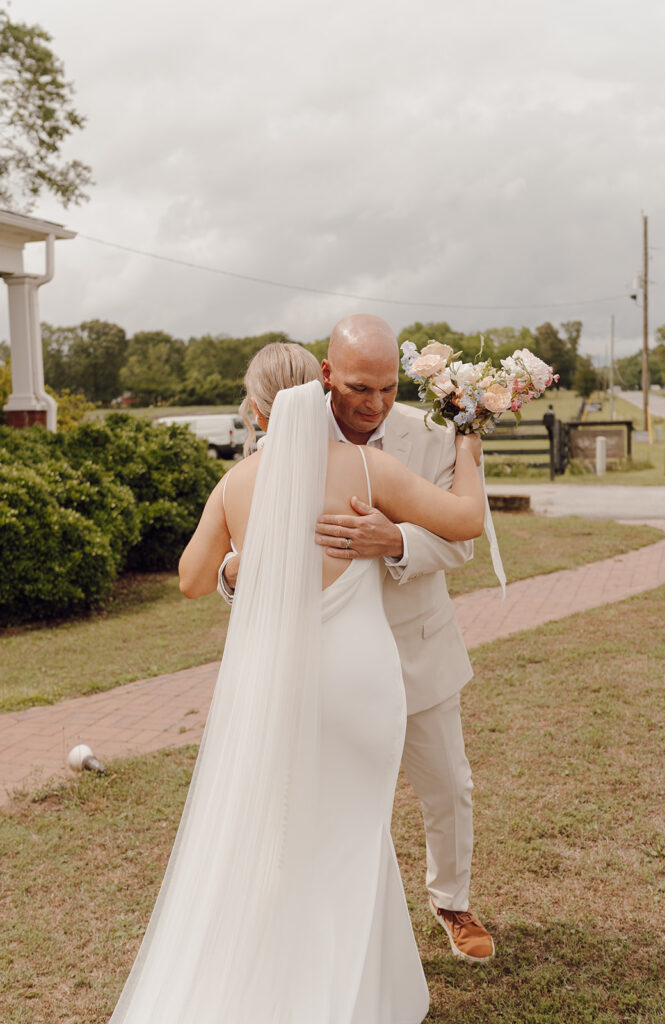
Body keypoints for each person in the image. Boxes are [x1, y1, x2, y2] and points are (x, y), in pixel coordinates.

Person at [108, 342, 484, 1023]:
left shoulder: (236, 484)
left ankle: (292, 984)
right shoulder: (366, 470)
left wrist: (237, 565)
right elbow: (464, 520)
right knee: (352, 834)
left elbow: (193, 581)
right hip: (359, 687)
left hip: (275, 688)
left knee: (284, 833)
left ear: (254, 409)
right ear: (324, 388)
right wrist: (468, 443)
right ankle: (352, 993)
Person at [223, 318, 496, 963]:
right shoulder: (287, 429)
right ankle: (339, 928)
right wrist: (234, 577)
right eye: (357, 387)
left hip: (415, 645)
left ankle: (452, 903)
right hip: (325, 663)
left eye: (388, 387)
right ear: (325, 375)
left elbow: (461, 539)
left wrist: (395, 541)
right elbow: (243, 538)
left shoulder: (431, 436)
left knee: (448, 786)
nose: (374, 403)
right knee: (325, 799)